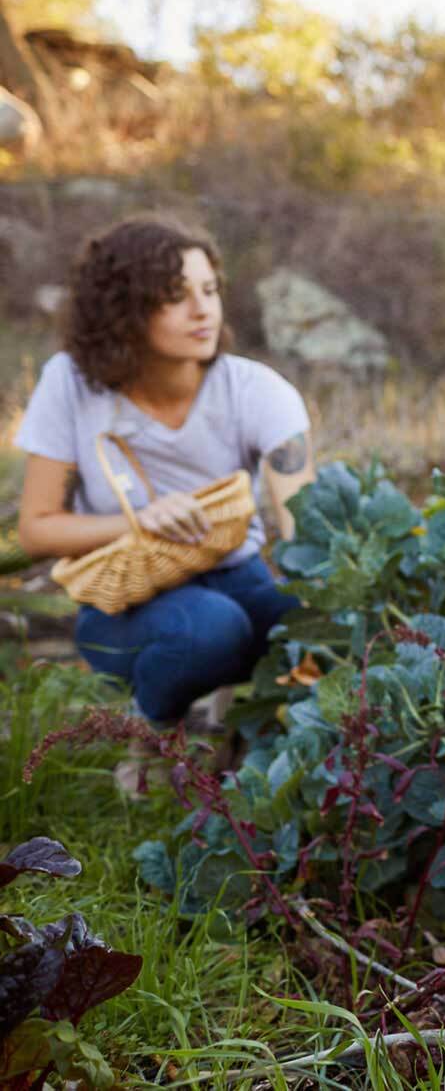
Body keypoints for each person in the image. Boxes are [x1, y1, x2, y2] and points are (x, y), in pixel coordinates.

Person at [14, 215, 315, 727]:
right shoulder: (70, 383)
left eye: (210, 289)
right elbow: (36, 528)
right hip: (123, 606)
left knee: (314, 619)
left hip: (237, 578)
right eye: (175, 295)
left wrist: (321, 607)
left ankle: (241, 733)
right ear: (123, 309)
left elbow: (303, 526)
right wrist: (140, 520)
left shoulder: (258, 391)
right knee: (211, 629)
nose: (204, 311)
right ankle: (148, 732)